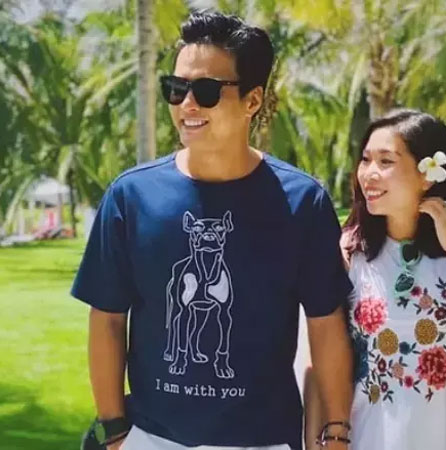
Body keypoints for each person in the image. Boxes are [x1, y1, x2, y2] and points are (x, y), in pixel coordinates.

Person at [72, 10, 353, 450]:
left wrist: (336, 430)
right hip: (152, 439)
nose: (187, 104)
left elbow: (325, 324)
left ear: (253, 101)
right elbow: (107, 318)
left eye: (205, 91)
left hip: (263, 441)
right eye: (176, 88)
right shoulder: (131, 196)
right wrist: (114, 429)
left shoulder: (303, 202)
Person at [305, 108, 446, 449]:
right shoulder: (349, 251)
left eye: (386, 161)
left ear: (428, 174)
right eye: (365, 160)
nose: (369, 174)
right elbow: (321, 364)